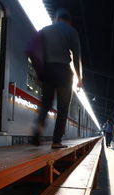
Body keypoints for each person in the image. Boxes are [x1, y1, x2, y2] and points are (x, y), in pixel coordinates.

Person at [32, 8, 83, 149]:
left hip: (48, 70)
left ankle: (39, 125)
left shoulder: (45, 30)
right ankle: (56, 141)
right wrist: (79, 78)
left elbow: (36, 51)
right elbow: (77, 56)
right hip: (64, 71)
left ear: (56, 18)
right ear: (69, 21)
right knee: (63, 107)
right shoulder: (71, 31)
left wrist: (39, 73)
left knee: (46, 103)